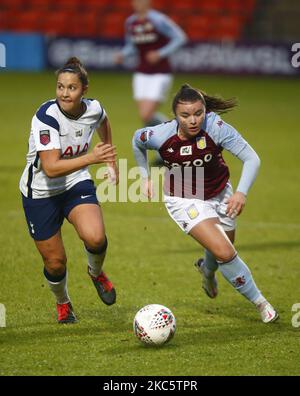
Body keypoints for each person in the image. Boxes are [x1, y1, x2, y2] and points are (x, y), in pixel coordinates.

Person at [132, 84, 279, 324]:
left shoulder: (217, 128)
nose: (193, 120)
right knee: (224, 251)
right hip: (183, 199)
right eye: (185, 115)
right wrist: (144, 176)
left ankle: (207, 272)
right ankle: (261, 303)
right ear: (175, 115)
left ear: (205, 111)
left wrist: (240, 193)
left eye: (198, 113)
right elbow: (137, 140)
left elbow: (251, 158)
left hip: (221, 193)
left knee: (221, 249)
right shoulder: (160, 135)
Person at [19, 57, 119, 324]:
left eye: (71, 88)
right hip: (40, 193)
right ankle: (63, 303)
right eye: (60, 87)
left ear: (83, 89)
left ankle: (96, 272)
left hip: (75, 183)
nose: (64, 93)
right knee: (56, 263)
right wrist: (92, 158)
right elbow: (51, 168)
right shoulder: (46, 118)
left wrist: (109, 158)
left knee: (96, 238)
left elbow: (103, 122)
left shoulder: (94, 108)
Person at [114, 0, 187, 128]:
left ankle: (177, 128)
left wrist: (160, 53)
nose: (138, 3)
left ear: (148, 2)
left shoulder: (158, 20)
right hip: (141, 73)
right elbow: (132, 46)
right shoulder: (131, 22)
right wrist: (123, 54)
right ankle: (172, 131)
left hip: (160, 73)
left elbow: (180, 38)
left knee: (146, 115)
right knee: (145, 117)